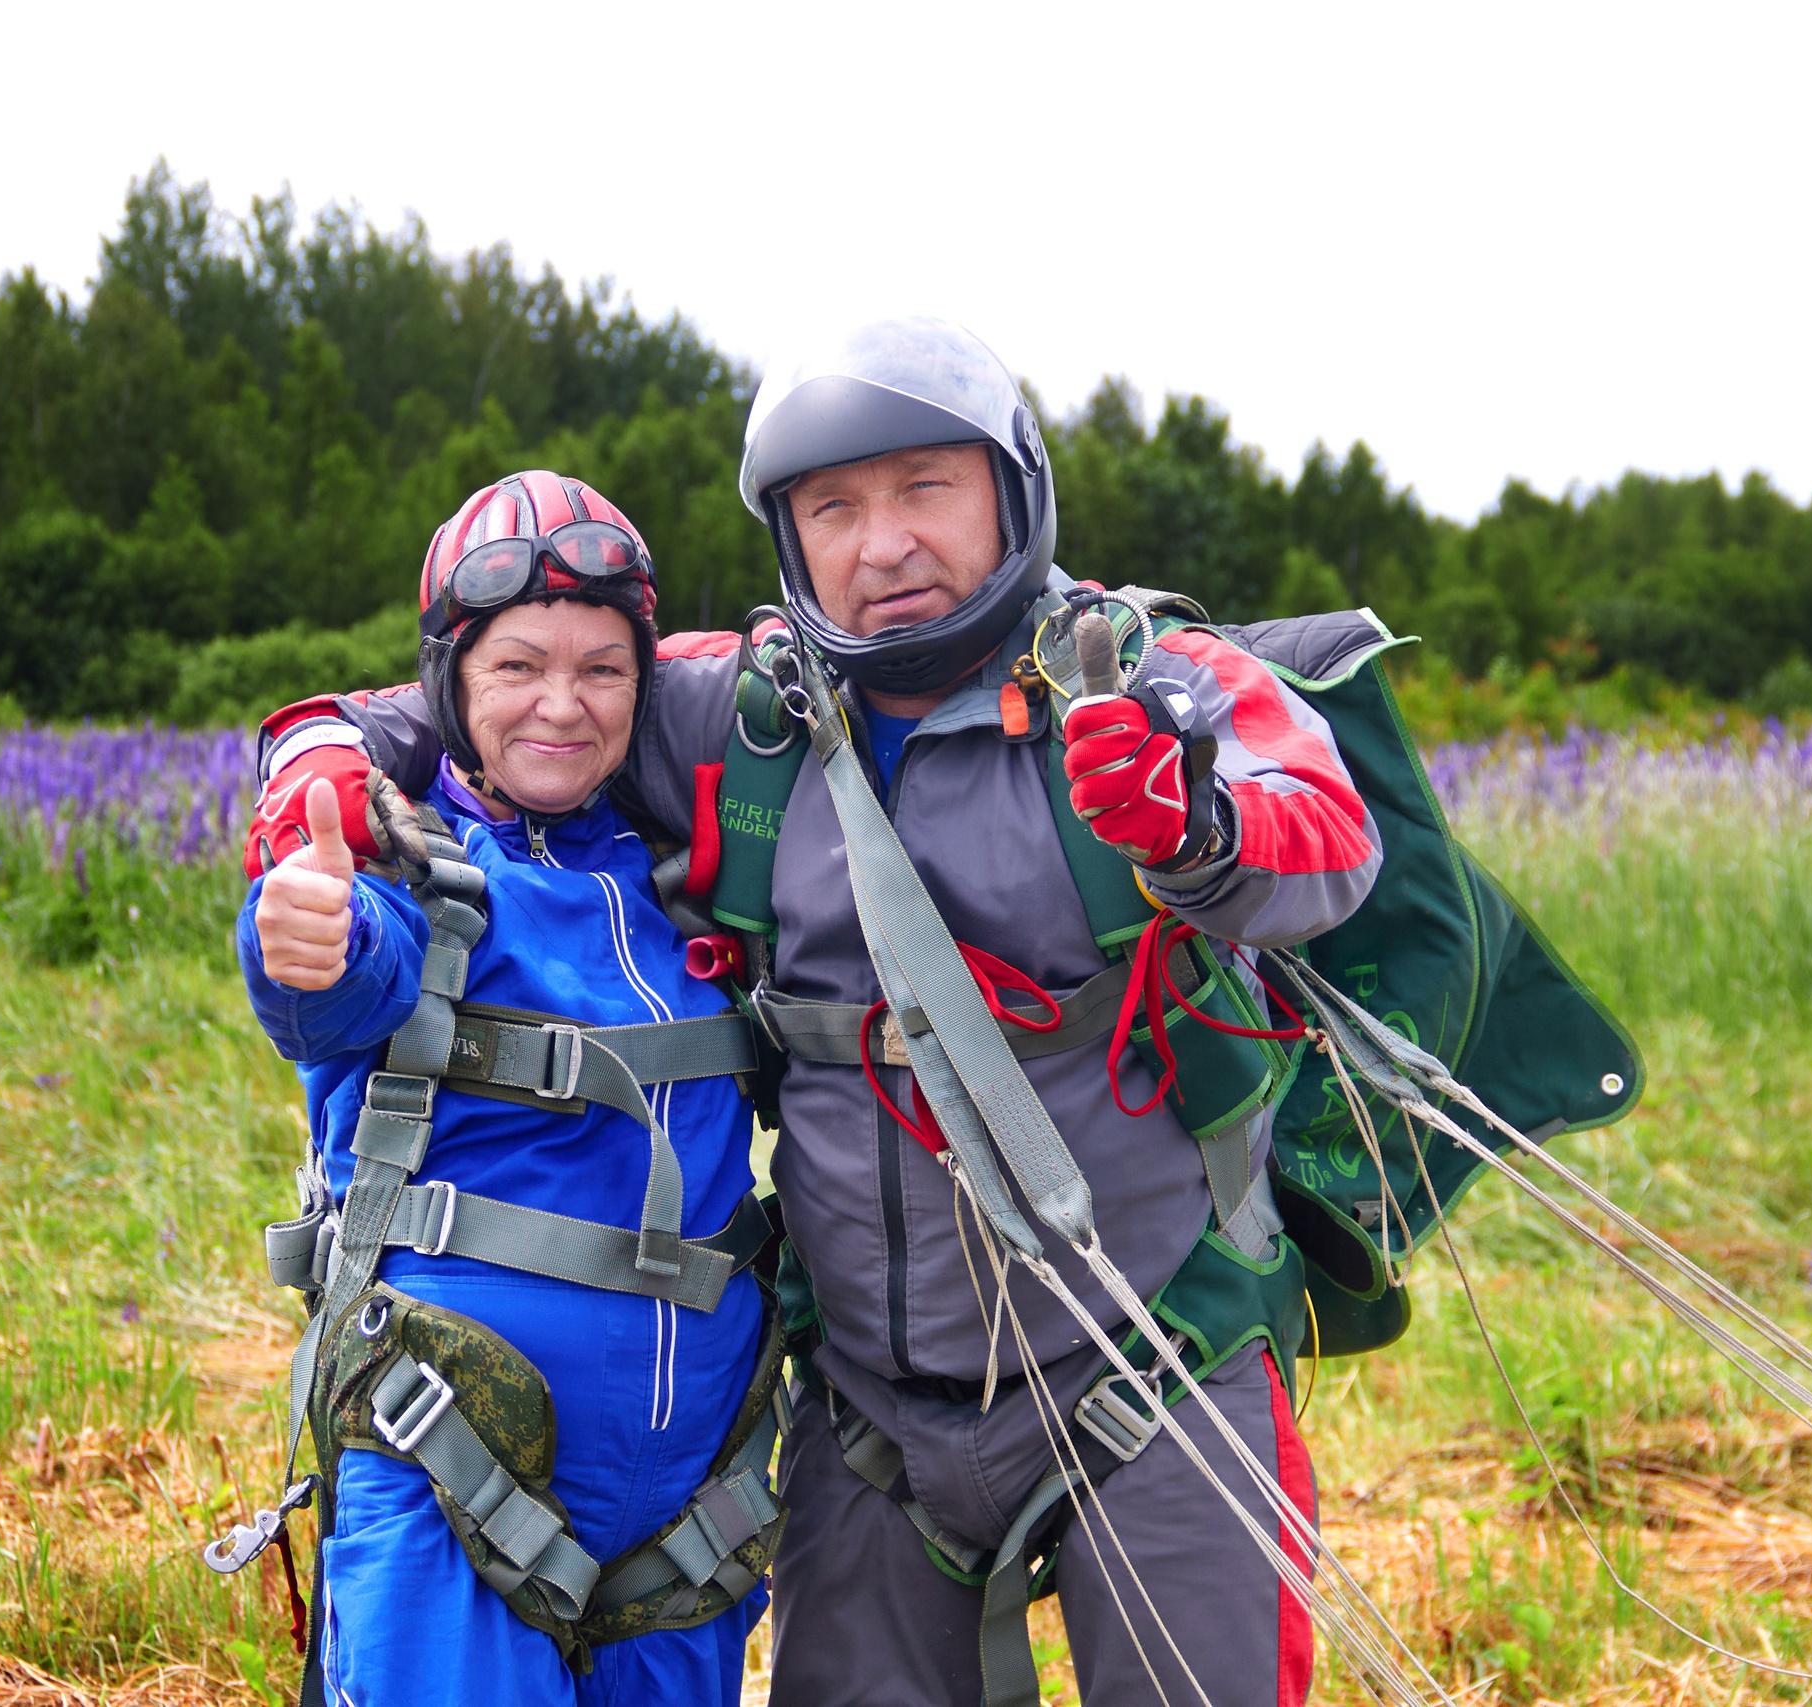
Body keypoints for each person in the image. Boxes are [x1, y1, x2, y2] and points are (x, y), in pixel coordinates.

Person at [247, 320, 1382, 1707]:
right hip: (875, 1420)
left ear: (1010, 494)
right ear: (790, 537)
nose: (884, 542)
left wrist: (1193, 824)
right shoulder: (740, 715)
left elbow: (1326, 834)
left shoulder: (1137, 676)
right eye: (834, 507)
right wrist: (315, 754)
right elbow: (487, 696)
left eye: (925, 490)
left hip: (1155, 1359)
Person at [235, 471, 778, 1707]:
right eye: (518, 667)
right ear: (449, 683)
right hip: (450, 1464)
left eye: (602, 670)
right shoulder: (405, 861)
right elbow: (326, 976)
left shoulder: (695, 878)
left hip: (691, 1516)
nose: (563, 706)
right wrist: (300, 930)